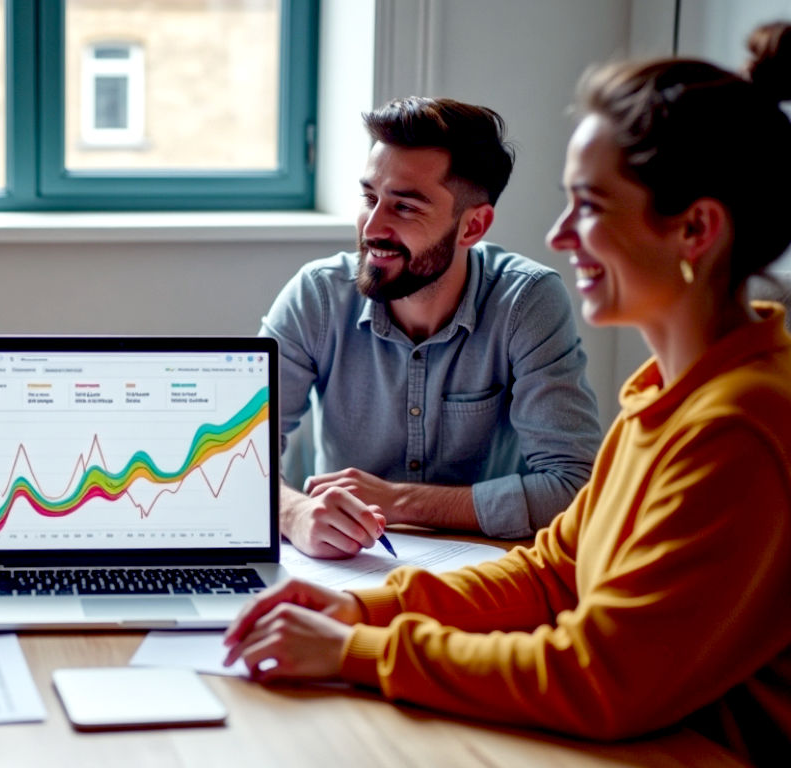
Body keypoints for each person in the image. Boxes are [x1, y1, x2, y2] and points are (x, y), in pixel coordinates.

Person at [225, 44, 791, 765]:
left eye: (588, 206)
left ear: (695, 230)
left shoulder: (739, 426)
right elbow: (552, 575)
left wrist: (358, 649)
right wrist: (358, 608)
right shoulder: (665, 397)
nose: (558, 236)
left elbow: (600, 678)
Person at [260, 97, 602, 558]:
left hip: (489, 572)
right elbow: (234, 458)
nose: (372, 226)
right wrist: (294, 514)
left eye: (405, 208)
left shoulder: (526, 301)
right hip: (346, 566)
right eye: (369, 198)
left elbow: (574, 487)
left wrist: (400, 502)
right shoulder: (317, 296)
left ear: (472, 227)